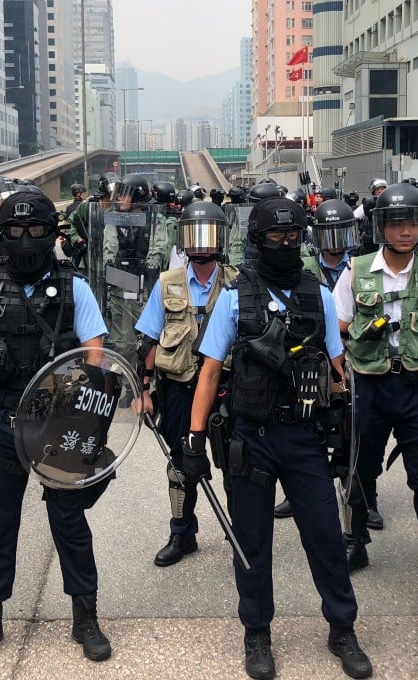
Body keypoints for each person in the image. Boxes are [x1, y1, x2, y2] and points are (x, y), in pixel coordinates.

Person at [187, 197, 372, 680]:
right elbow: (209, 373)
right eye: (276, 237)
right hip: (252, 437)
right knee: (252, 541)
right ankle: (257, 633)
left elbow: (338, 368)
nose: (286, 244)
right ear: (258, 240)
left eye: (293, 237)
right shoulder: (234, 296)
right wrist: (193, 438)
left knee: (327, 537)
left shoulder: (320, 295)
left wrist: (342, 410)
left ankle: (342, 628)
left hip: (304, 437)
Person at [0, 191, 113, 666]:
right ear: (0, 233)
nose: (23, 239)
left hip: (58, 423)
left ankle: (85, 614)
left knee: (70, 523)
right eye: (14, 230)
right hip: (3, 421)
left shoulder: (75, 287)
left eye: (34, 230)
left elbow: (96, 354)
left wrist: (81, 414)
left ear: (52, 234)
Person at [334, 183, 418, 619]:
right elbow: (337, 330)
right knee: (357, 471)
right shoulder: (355, 271)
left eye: (411, 222)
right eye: (396, 223)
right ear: (381, 227)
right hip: (369, 387)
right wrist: (339, 385)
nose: (405, 231)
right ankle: (355, 544)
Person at [134, 201, 238, 566]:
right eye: (193, 236)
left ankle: (242, 530)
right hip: (177, 388)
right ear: (183, 240)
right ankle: (182, 533)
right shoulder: (167, 283)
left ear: (221, 238)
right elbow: (149, 339)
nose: (201, 244)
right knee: (180, 467)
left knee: (236, 462)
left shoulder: (237, 282)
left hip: (226, 386)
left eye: (208, 235)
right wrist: (143, 390)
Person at [274, 198, 357, 520]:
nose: (334, 241)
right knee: (311, 428)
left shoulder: (361, 267)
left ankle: (361, 501)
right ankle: (299, 494)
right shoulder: (304, 266)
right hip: (310, 356)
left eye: (341, 232)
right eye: (328, 233)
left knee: (353, 436)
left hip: (352, 359)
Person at [102, 173, 170, 363]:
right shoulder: (114, 218)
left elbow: (158, 249)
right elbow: (109, 248)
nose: (120, 198)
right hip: (119, 282)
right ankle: (125, 378)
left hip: (145, 283)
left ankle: (148, 378)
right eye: (119, 193)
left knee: (149, 333)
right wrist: (109, 268)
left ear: (138, 196)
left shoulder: (155, 218)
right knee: (122, 339)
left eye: (125, 194)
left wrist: (148, 268)